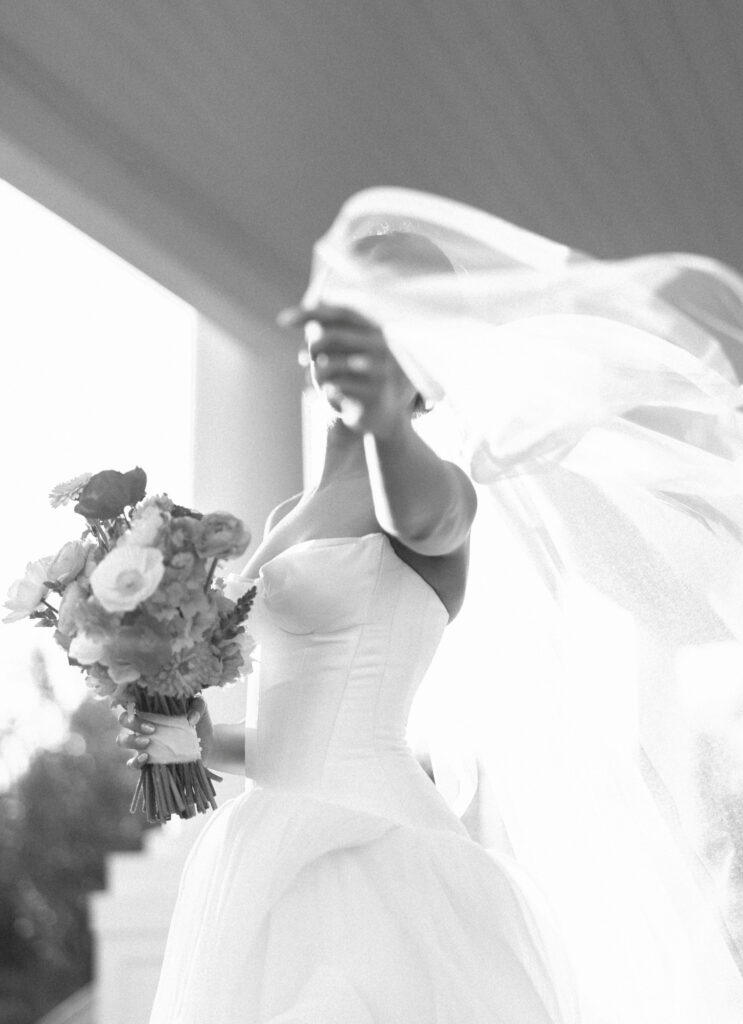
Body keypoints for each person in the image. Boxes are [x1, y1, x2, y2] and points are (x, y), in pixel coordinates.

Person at [117, 233, 575, 1022]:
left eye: (373, 328)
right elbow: (284, 740)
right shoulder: (281, 518)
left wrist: (382, 420)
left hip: (375, 845)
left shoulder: (436, 491)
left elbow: (419, 513)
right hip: (262, 842)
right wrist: (187, 732)